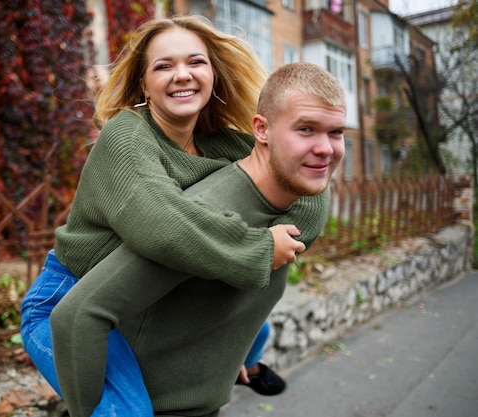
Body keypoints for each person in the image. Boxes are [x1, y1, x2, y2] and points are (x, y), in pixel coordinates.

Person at [20, 14, 299, 411]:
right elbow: (163, 226)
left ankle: (248, 363)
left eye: (195, 62)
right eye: (163, 66)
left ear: (214, 76)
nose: (181, 75)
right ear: (144, 86)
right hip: (69, 298)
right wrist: (257, 249)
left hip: (147, 291)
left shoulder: (222, 144)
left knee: (245, 312)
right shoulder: (127, 138)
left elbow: (288, 175)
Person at [50, 61, 346, 417]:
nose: (326, 148)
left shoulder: (293, 206)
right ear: (262, 130)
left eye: (336, 133)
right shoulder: (206, 214)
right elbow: (76, 315)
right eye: (306, 129)